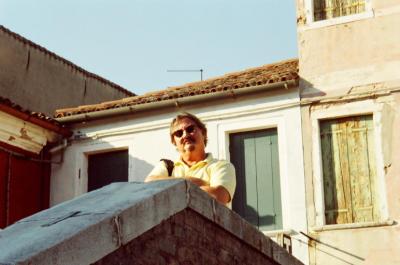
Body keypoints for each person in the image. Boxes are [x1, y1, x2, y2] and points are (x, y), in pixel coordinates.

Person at [145, 112, 236, 207]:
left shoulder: (221, 166)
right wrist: (193, 182)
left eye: (190, 129)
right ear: (174, 142)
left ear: (203, 133)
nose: (185, 135)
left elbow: (218, 197)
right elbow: (149, 186)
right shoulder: (166, 166)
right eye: (179, 133)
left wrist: (170, 188)